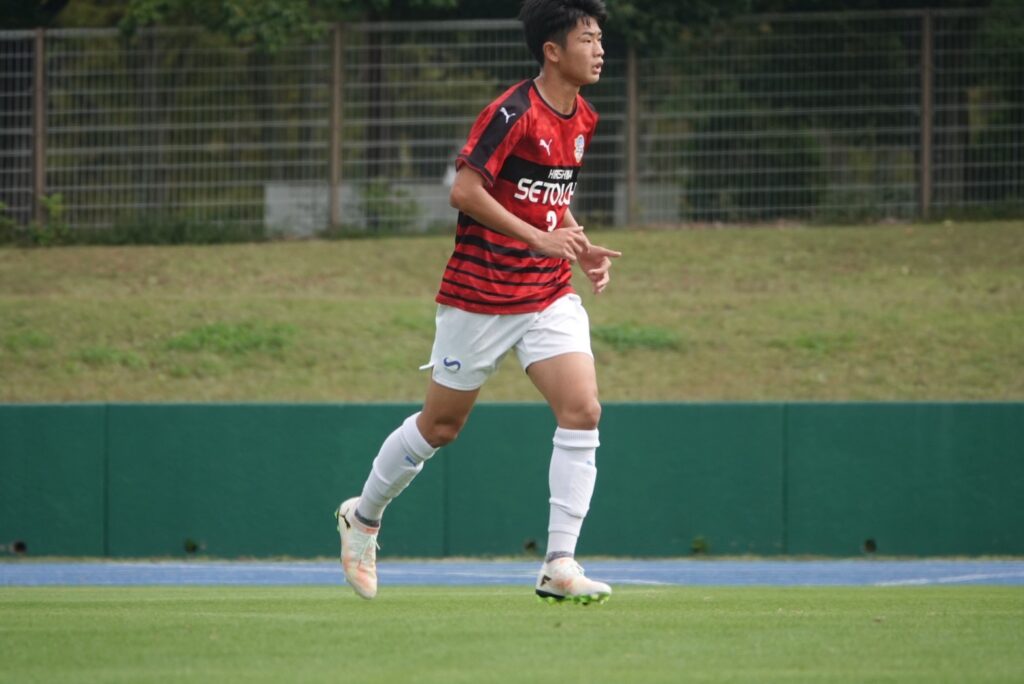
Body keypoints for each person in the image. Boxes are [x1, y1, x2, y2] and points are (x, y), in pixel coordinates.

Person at [335, 0, 620, 604]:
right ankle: (362, 518)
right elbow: (465, 191)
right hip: (480, 295)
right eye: (588, 39)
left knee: (583, 410)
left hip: (547, 292)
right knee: (440, 427)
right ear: (552, 50)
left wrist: (579, 243)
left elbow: (548, 194)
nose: (599, 49)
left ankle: (559, 563)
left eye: (600, 38)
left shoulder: (584, 117)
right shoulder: (511, 112)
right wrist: (539, 237)